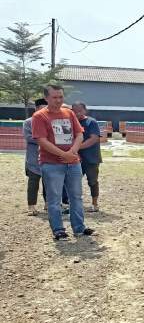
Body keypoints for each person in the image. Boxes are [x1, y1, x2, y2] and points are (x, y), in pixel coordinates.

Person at [31, 84, 94, 240]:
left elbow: (79, 134)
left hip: (73, 162)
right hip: (51, 164)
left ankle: (79, 228)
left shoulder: (69, 113)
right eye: (54, 97)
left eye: (61, 97)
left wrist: (72, 152)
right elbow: (42, 140)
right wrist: (63, 155)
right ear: (46, 98)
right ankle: (58, 230)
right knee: (54, 199)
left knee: (76, 197)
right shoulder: (39, 116)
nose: (58, 100)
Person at [72, 102, 103, 211]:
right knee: (73, 181)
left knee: (92, 181)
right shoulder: (71, 123)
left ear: (85, 110)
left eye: (80, 110)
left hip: (91, 158)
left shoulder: (91, 122)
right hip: (75, 159)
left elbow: (94, 139)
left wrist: (77, 147)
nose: (77, 113)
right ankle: (74, 203)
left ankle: (95, 204)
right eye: (74, 111)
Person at [23, 98, 48, 215]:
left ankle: (48, 204)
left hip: (48, 156)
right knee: (33, 182)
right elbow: (29, 137)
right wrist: (44, 140)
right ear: (36, 109)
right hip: (33, 157)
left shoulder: (49, 120)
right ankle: (31, 206)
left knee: (48, 182)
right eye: (42, 108)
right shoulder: (28, 122)